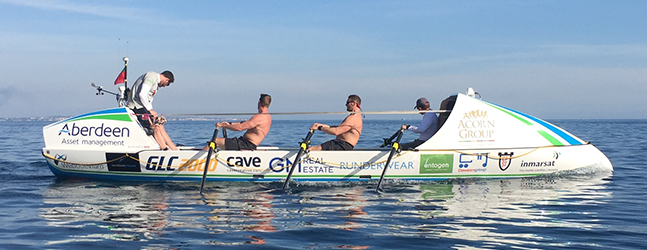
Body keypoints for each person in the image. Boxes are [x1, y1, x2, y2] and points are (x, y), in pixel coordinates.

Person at [126, 70, 178, 150]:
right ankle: (164, 148)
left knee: (160, 124)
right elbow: (142, 94)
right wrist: (150, 110)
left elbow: (148, 100)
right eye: (167, 84)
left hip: (142, 107)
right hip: (136, 107)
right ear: (166, 79)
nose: (165, 86)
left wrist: (151, 111)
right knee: (155, 126)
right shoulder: (151, 77)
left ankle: (174, 148)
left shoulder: (155, 84)